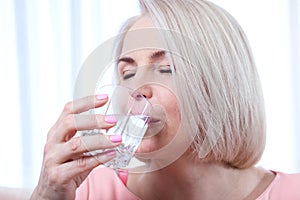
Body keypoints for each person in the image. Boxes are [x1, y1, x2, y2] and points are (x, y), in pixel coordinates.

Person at [30, 0, 300, 199]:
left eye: (166, 68)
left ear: (221, 87)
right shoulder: (87, 190)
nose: (136, 88)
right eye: (128, 72)